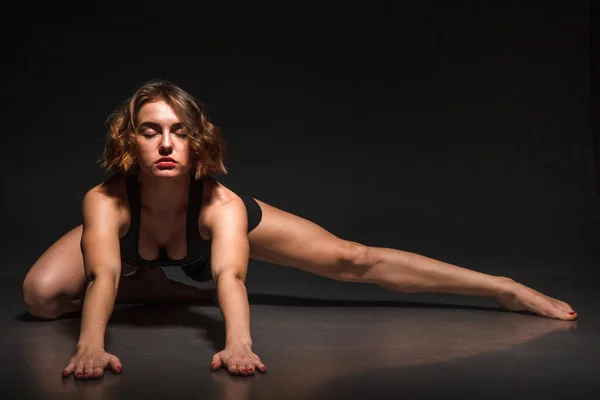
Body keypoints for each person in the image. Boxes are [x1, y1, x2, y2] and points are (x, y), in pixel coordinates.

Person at [21, 80, 578, 381]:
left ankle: (501, 286)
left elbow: (233, 280)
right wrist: (89, 348)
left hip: (207, 244)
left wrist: (238, 343)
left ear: (198, 142)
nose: (166, 144)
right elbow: (102, 276)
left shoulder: (222, 206)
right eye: (151, 131)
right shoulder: (106, 201)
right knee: (42, 298)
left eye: (179, 131)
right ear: (130, 141)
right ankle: (163, 289)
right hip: (126, 256)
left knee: (352, 257)